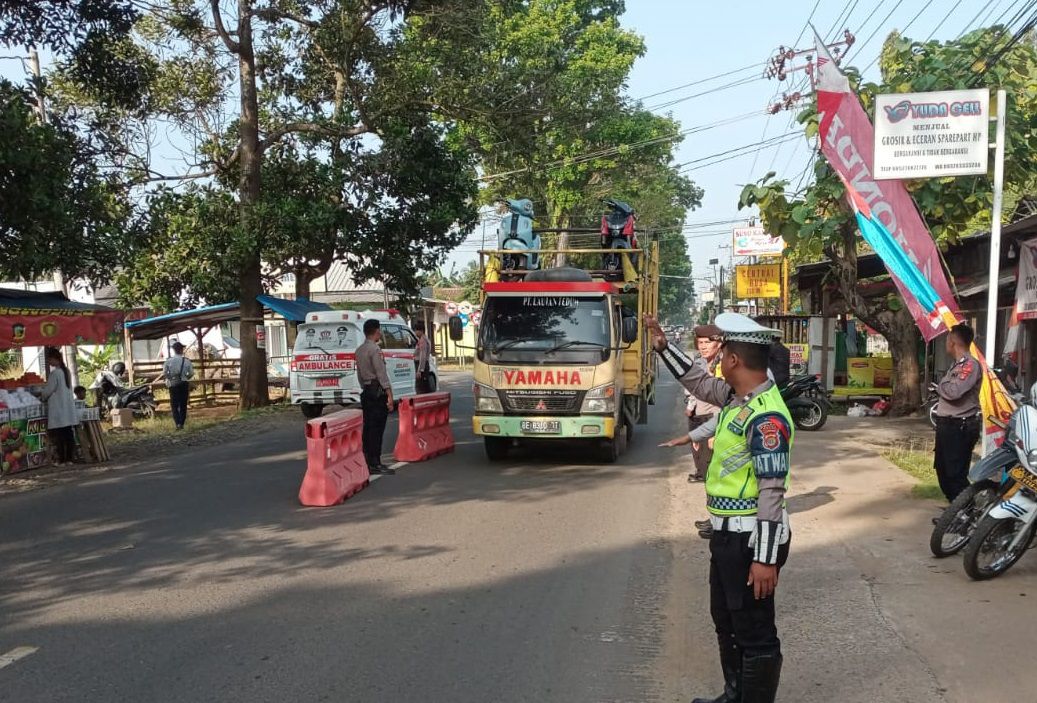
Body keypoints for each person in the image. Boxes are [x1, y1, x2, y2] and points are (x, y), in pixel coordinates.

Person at [651, 312, 792, 703]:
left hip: (751, 540)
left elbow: (772, 490)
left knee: (754, 630)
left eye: (723, 350)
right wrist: (664, 348)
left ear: (733, 360)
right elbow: (697, 381)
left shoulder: (766, 417)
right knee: (727, 622)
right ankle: (734, 695)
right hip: (729, 535)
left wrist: (763, 559)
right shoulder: (738, 398)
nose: (717, 359)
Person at [932, 323, 982, 503]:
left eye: (947, 339)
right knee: (943, 471)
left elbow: (953, 392)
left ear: (953, 342)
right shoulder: (956, 365)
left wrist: (940, 386)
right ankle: (955, 514)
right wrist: (942, 387)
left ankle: (970, 515)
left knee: (955, 474)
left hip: (960, 426)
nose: (946, 343)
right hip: (947, 425)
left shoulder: (970, 366)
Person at [684, 324, 723, 483]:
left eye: (707, 342)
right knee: (697, 446)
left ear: (719, 344)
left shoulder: (724, 364)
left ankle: (712, 477)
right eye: (700, 343)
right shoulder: (699, 362)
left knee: (712, 448)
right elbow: (694, 386)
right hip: (698, 411)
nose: (703, 347)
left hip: (715, 412)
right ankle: (701, 472)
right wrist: (690, 406)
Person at [357, 319, 395, 475]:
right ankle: (376, 462)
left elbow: (359, 374)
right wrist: (389, 395)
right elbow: (381, 373)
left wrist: (366, 387)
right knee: (378, 428)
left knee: (368, 428)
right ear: (375, 331)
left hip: (366, 390)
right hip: (377, 391)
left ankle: (367, 460)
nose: (380, 333)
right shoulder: (375, 350)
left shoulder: (359, 350)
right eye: (379, 330)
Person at [40, 347, 79, 465]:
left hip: (59, 408)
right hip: (67, 407)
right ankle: (70, 458)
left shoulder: (55, 373)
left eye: (50, 360)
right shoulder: (66, 371)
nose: (49, 362)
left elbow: (48, 391)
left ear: (54, 359)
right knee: (68, 434)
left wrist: (41, 396)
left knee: (60, 436)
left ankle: (62, 459)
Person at [155, 342, 194, 430]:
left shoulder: (168, 361)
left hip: (173, 384)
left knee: (174, 404)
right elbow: (191, 373)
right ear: (181, 350)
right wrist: (185, 377)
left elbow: (164, 373)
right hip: (183, 383)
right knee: (183, 404)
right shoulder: (187, 361)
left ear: (174, 350)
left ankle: (177, 424)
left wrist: (170, 378)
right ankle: (182, 423)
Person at [414, 325, 433, 394]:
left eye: (416, 331)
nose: (415, 333)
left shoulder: (422, 341)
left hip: (421, 364)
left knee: (420, 387)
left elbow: (422, 356)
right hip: (424, 365)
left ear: (421, 331)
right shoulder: (425, 339)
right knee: (425, 386)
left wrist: (420, 370)